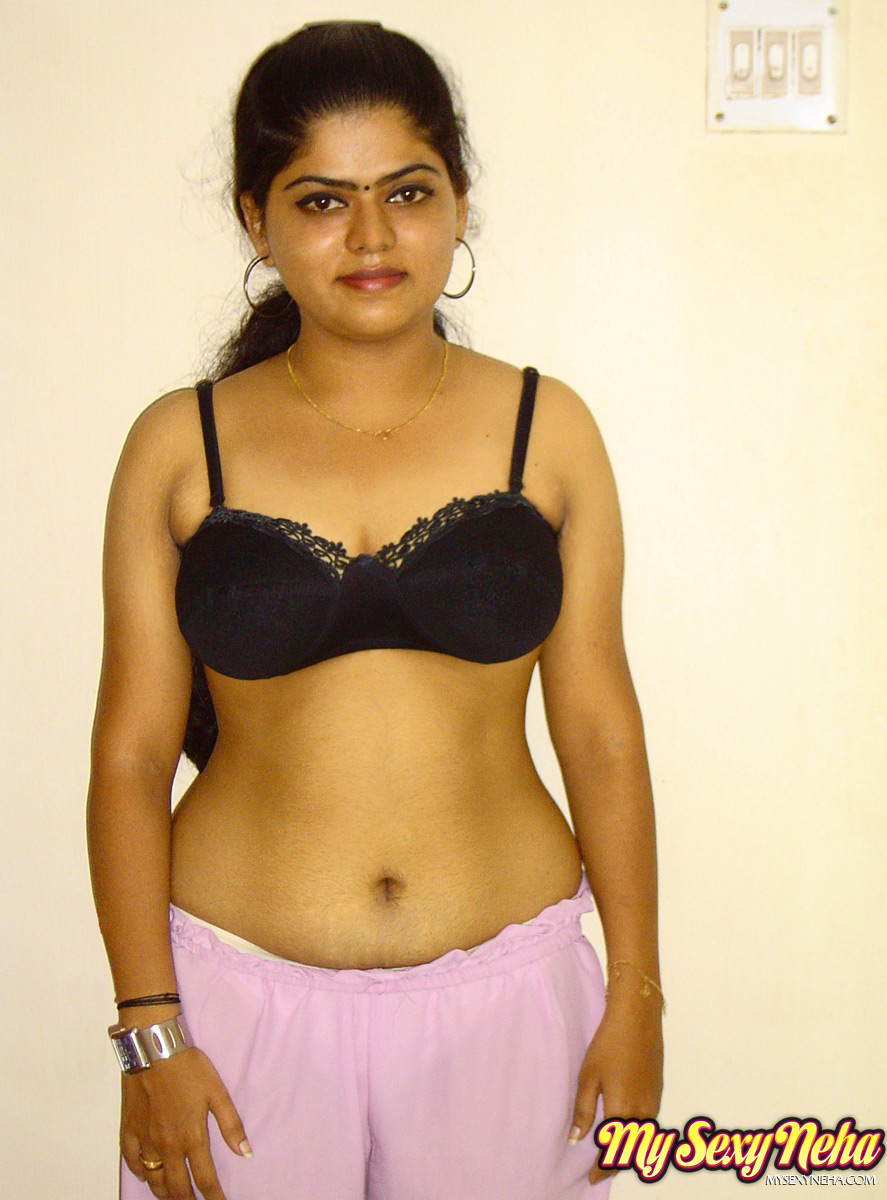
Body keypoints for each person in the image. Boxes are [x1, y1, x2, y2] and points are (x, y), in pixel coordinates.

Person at [87, 21, 663, 1200]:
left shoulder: (548, 430)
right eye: (321, 202)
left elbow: (601, 734)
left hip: (510, 998)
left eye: (407, 192)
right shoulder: (178, 445)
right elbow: (131, 759)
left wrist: (638, 992)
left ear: (459, 204)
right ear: (256, 219)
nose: (370, 238)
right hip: (233, 1005)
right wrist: (151, 1030)